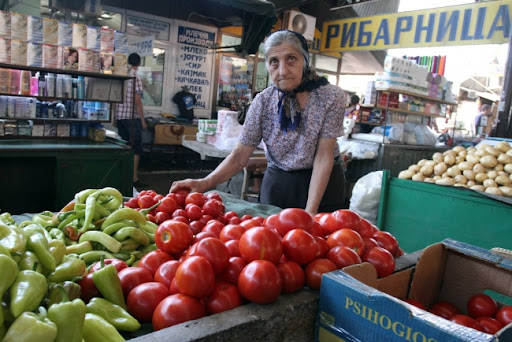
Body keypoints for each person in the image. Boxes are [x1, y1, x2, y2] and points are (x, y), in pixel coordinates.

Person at [170, 30, 346, 215]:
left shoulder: (330, 97)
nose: (283, 71)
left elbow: (323, 156)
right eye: (274, 62)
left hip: (323, 185)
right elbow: (239, 157)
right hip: (279, 184)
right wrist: (205, 182)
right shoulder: (263, 102)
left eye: (291, 59)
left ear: (305, 60)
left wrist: (310, 212)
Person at [114, 52, 147, 187]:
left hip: (120, 117)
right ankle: (133, 178)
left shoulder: (122, 76)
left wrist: (114, 117)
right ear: (139, 63)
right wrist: (143, 120)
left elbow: (115, 98)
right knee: (135, 148)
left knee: (124, 147)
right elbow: (137, 100)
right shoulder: (135, 77)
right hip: (131, 119)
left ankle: (122, 175)